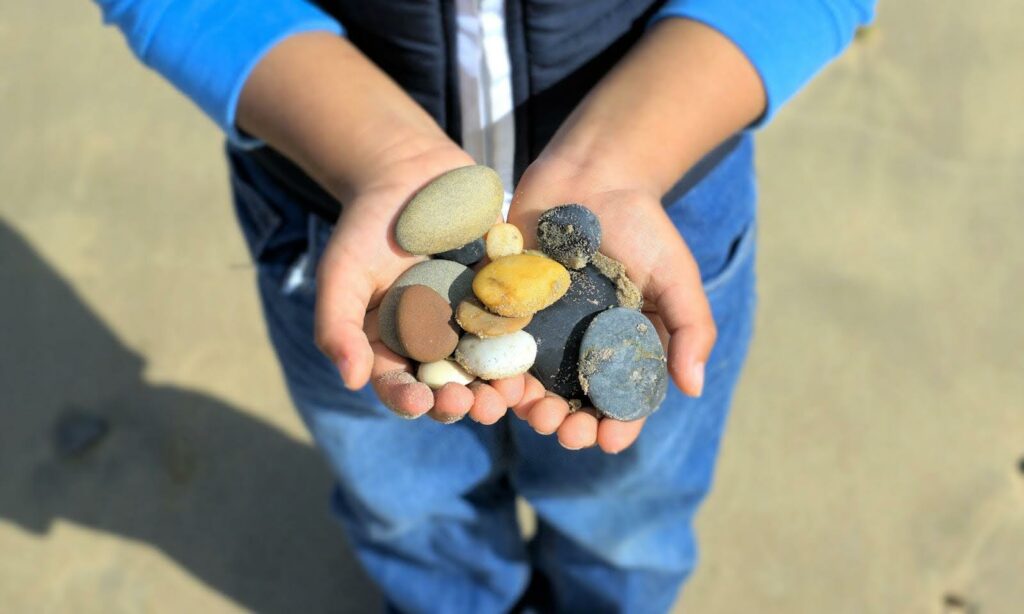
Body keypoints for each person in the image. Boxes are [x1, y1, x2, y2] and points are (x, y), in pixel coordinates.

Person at [93, 1, 875, 611]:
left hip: (664, 198)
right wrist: (378, 157)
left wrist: (623, 155)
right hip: (338, 212)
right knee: (406, 500)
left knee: (630, 508)